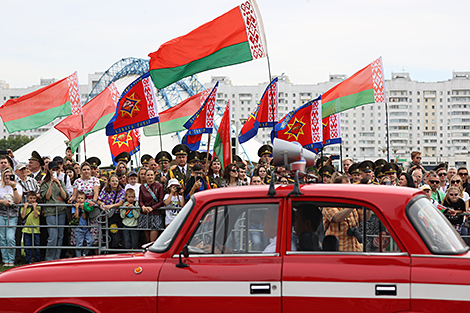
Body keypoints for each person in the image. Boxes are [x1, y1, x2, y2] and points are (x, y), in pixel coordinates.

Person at [40, 161, 68, 261]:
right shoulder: (44, 183)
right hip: (50, 211)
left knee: (60, 235)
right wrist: (51, 183)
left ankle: (57, 258)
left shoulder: (62, 182)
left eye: (57, 170)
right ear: (50, 170)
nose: (56, 171)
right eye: (54, 170)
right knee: (53, 236)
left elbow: (65, 196)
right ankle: (49, 258)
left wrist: (59, 185)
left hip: (61, 210)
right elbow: (46, 197)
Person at [68, 162, 100, 248]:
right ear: (81, 171)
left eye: (88, 169)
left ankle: (94, 251)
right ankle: (79, 251)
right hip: (80, 206)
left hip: (91, 206)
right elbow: (74, 195)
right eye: (84, 169)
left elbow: (96, 193)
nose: (86, 171)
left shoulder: (95, 180)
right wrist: (71, 200)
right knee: (79, 229)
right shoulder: (77, 181)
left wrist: (93, 201)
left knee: (93, 230)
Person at [0, 167, 21, 266]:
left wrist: (14, 187)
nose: (7, 178)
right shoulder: (0, 186)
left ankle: (11, 260)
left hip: (12, 215)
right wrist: (3, 202)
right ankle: (5, 260)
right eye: (6, 176)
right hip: (1, 213)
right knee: (2, 238)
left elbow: (18, 201)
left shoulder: (18, 186)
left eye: (10, 176)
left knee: (10, 237)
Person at [98, 175, 125, 249]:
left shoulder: (122, 191)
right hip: (108, 216)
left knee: (117, 236)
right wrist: (101, 204)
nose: (115, 182)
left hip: (117, 216)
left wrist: (110, 206)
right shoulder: (105, 189)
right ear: (109, 182)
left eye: (116, 181)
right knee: (109, 236)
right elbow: (99, 200)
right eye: (113, 181)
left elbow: (120, 203)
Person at [138, 169, 164, 243]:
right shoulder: (142, 187)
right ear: (145, 177)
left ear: (154, 176)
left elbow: (161, 201)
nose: (150, 177)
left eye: (151, 175)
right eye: (148, 175)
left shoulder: (159, 186)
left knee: (152, 240)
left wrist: (152, 208)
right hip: (145, 214)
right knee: (147, 240)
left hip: (155, 214)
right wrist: (143, 206)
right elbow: (140, 200)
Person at [21, 191, 41, 264]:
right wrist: (25, 207)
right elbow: (23, 216)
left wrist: (35, 207)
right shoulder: (24, 206)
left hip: (36, 229)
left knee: (37, 246)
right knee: (27, 246)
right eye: (30, 198)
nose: (32, 200)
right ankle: (28, 260)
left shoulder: (38, 206)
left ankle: (37, 260)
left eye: (34, 198)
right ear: (27, 198)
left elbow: (36, 215)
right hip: (26, 229)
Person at [72, 191, 93, 257]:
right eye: (78, 198)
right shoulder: (74, 206)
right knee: (79, 244)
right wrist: (76, 208)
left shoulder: (85, 206)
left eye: (82, 198)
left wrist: (83, 209)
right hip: (78, 228)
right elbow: (76, 216)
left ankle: (84, 253)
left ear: (84, 200)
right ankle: (79, 257)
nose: (80, 200)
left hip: (85, 228)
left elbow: (84, 217)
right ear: (76, 199)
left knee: (90, 241)